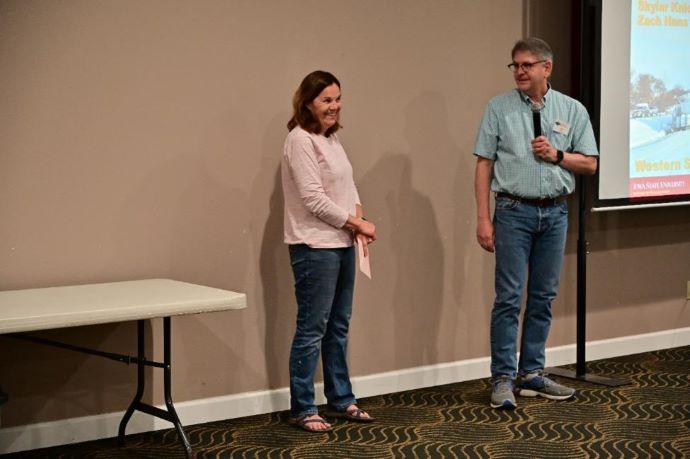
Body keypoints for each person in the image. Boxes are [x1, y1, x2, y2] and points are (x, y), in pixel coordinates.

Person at [473, 38, 598, 409]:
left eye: (527, 65)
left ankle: (531, 374)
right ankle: (502, 378)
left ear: (547, 68)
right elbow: (483, 164)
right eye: (515, 66)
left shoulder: (572, 109)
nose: (520, 72)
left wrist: (557, 155)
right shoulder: (498, 108)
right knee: (509, 298)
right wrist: (483, 218)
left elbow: (590, 163)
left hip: (555, 212)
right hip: (513, 211)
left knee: (543, 297)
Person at [282, 70, 377, 432]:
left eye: (337, 99)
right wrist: (357, 224)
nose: (334, 106)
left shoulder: (332, 140)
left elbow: (346, 188)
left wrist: (359, 219)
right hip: (313, 247)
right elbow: (313, 199)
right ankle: (304, 407)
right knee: (312, 328)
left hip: (341, 244)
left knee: (338, 326)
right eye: (326, 100)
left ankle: (341, 399)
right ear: (307, 103)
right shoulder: (299, 140)